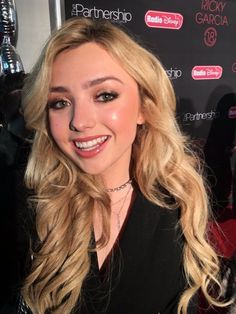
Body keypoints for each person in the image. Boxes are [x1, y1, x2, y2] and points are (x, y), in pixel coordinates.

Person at [17, 17, 234, 314]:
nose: (79, 121)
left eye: (105, 95)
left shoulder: (177, 201)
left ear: (144, 108)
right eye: (60, 102)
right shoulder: (27, 206)